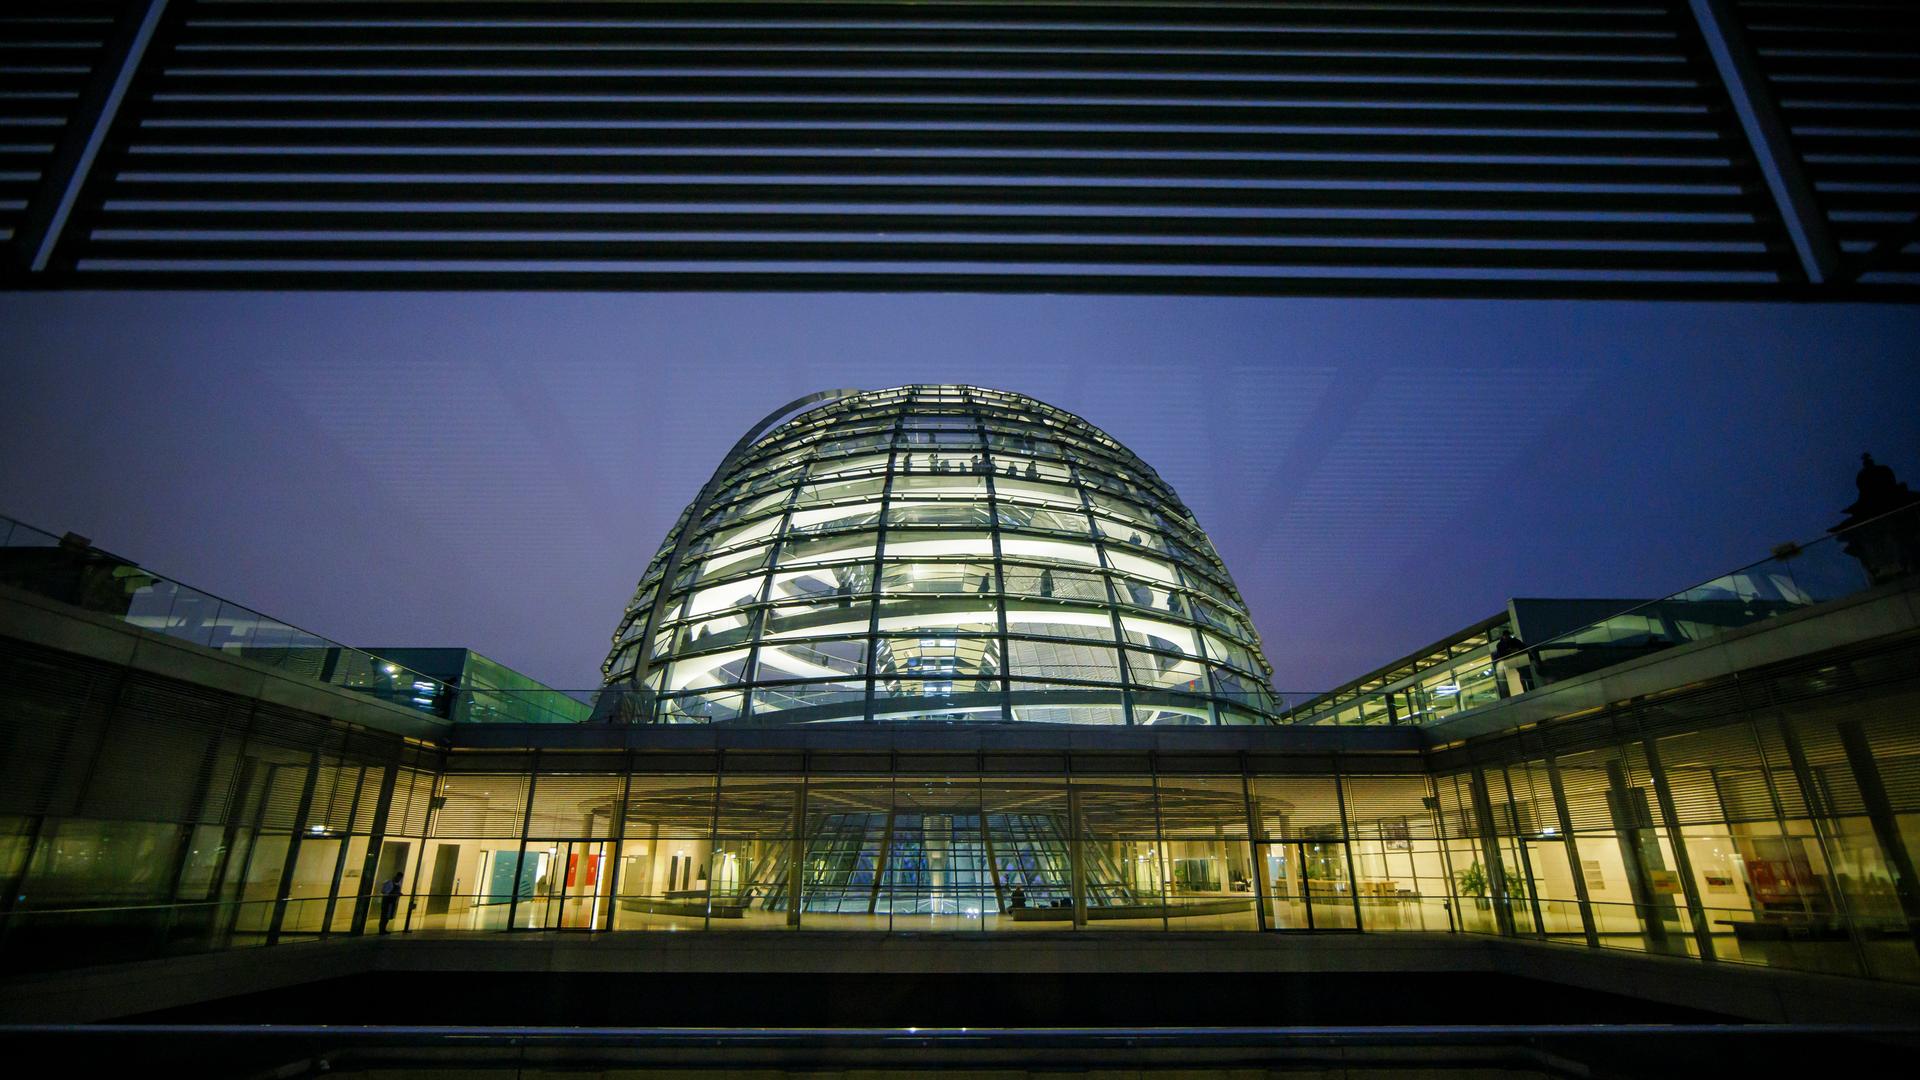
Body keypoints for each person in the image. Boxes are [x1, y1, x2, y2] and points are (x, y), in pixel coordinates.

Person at [1491, 629, 1529, 698]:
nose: (1507, 637)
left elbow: (1522, 647)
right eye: (1506, 636)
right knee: (1522, 673)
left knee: (1522, 673)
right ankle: (1526, 689)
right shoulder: (1505, 643)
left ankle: (1526, 689)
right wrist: (1511, 651)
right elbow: (1501, 654)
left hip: (1516, 659)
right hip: (1514, 660)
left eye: (1507, 636)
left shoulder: (1509, 642)